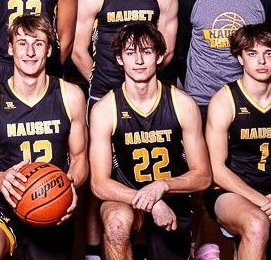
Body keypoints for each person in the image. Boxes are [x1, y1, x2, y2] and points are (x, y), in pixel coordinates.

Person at [0, 14, 88, 260]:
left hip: (50, 198)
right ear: (11, 49)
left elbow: (79, 159)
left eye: (38, 43)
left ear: (49, 50)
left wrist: (70, 184)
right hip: (4, 199)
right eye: (22, 43)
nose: (30, 52)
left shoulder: (71, 96)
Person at [89, 22, 211, 260]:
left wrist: (162, 185)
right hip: (124, 197)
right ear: (119, 58)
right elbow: (99, 183)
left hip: (173, 198)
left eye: (146, 51)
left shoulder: (182, 104)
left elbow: (204, 175)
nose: (139, 60)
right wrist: (151, 202)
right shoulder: (105, 109)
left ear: (159, 56)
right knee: (116, 224)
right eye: (130, 52)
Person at [204, 24, 271, 260]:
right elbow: (216, 169)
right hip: (229, 192)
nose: (261, 61)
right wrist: (266, 204)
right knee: (256, 223)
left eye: (269, 53)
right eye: (252, 54)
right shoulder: (224, 101)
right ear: (240, 58)